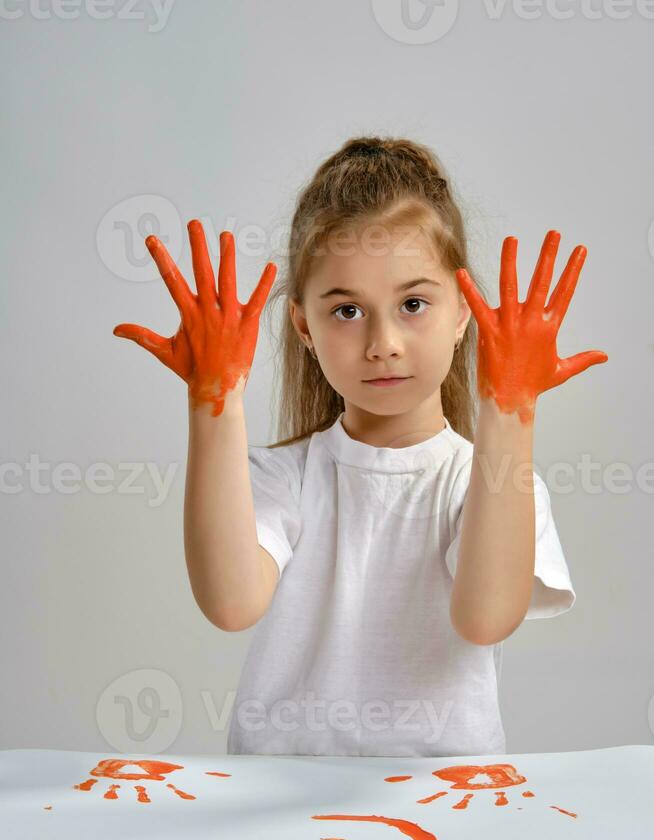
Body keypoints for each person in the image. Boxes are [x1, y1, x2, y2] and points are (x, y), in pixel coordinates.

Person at [113, 134, 608, 758]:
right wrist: (215, 400)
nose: (383, 342)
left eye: (414, 304)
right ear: (304, 327)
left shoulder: (489, 483)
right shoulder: (281, 477)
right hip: (277, 800)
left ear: (464, 315)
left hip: (445, 804)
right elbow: (231, 604)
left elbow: (485, 618)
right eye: (347, 311)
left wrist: (511, 410)